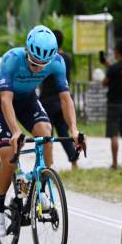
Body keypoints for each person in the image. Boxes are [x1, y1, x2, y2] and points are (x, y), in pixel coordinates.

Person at [0, 24, 84, 237]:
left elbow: (65, 98)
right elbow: (6, 99)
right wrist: (15, 131)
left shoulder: (57, 62)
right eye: (34, 63)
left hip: (28, 100)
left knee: (45, 132)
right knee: (8, 157)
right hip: (2, 101)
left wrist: (74, 130)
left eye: (43, 64)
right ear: (27, 51)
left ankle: (41, 184)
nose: (38, 68)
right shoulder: (12, 59)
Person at [39, 29, 79, 169]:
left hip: (47, 100)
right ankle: (74, 161)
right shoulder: (66, 58)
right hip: (62, 100)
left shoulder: (47, 58)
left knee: (47, 134)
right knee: (63, 132)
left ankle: (48, 163)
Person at [101, 38, 122, 168]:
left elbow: (104, 82)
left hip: (113, 104)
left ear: (118, 51)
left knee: (113, 135)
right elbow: (121, 72)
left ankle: (114, 163)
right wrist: (110, 66)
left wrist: (109, 68)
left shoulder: (113, 68)